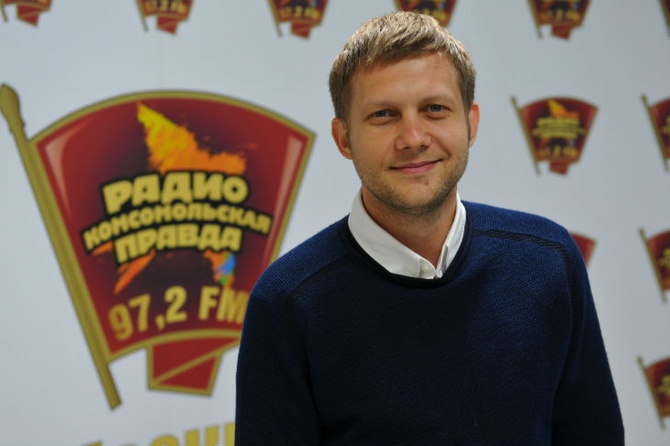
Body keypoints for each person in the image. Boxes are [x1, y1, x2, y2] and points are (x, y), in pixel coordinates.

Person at [235, 10, 624, 445]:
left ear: (471, 123)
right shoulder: (288, 304)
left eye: (434, 109)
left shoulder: (549, 262)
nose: (413, 137)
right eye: (384, 114)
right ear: (344, 139)